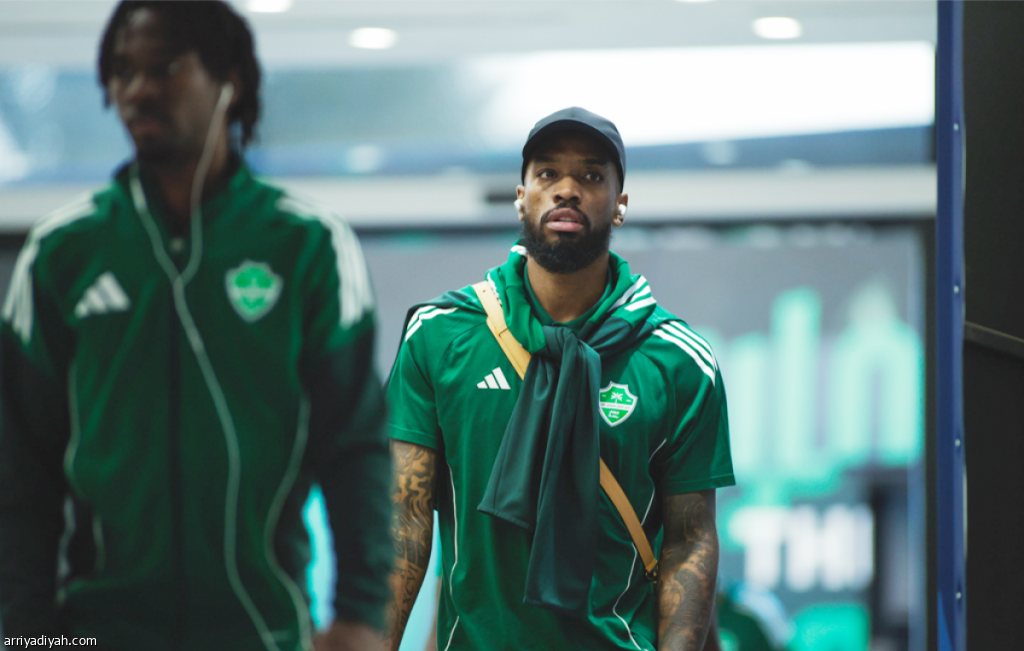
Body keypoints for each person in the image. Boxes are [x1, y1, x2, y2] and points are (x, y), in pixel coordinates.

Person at [0, 2, 391, 649]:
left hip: (263, 632)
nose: (137, 90)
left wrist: (361, 613)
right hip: (95, 633)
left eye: (164, 67)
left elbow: (355, 448)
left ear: (229, 79)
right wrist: (28, 635)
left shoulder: (307, 246)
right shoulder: (63, 253)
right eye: (122, 71)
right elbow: (19, 476)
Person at [384, 107, 735, 651]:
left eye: (591, 175)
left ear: (620, 204)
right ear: (521, 196)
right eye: (547, 173)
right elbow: (402, 521)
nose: (567, 189)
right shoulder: (438, 334)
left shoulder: (680, 361)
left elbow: (690, 540)